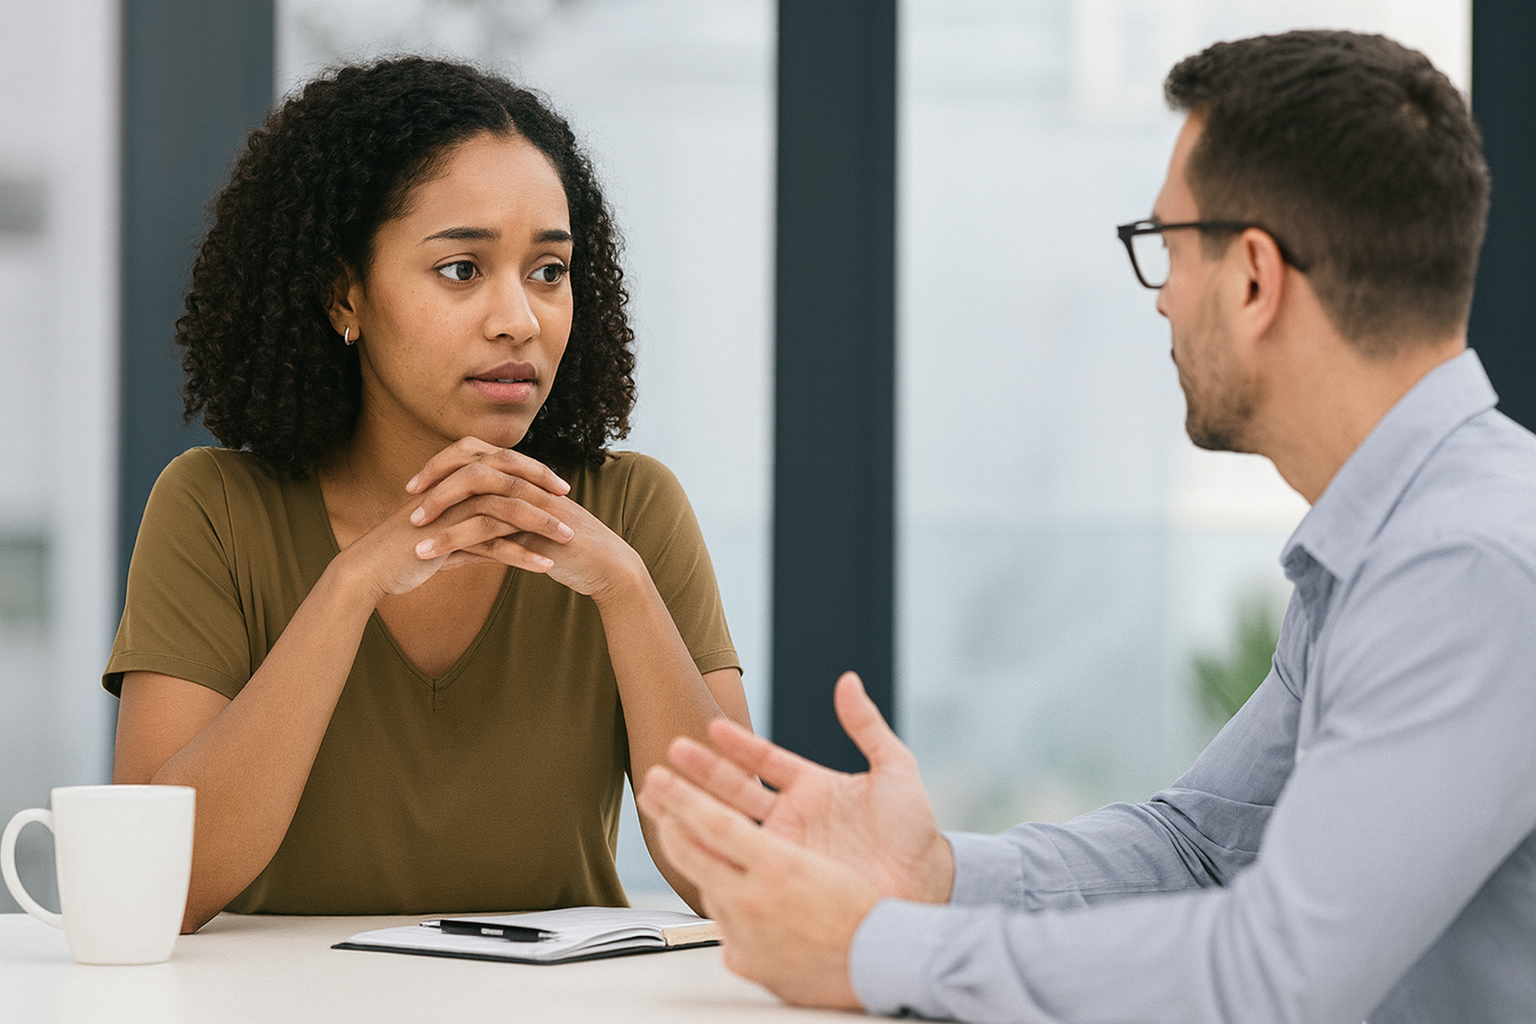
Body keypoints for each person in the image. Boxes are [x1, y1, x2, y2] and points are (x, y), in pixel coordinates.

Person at [638, 30, 1536, 1024]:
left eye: (1167, 248)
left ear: (1252, 278)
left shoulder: (1467, 563)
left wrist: (875, 948)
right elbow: (1199, 847)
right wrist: (933, 873)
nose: (1161, 301)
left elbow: (1276, 973)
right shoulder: (1388, 546)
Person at [106, 57, 751, 931]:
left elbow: (744, 881)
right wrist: (351, 586)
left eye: (549, 271)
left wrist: (626, 593)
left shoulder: (631, 511)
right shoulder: (216, 509)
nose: (518, 318)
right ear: (346, 294)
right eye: (460, 269)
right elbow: (155, 889)